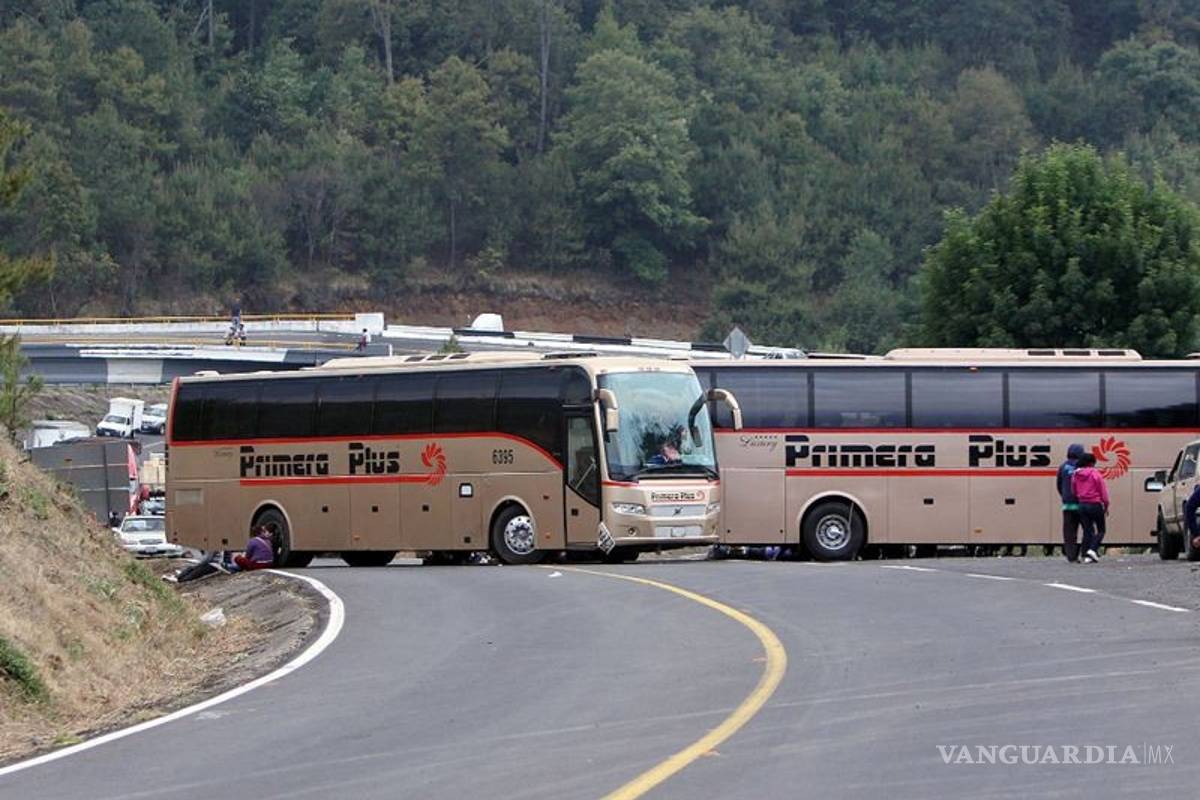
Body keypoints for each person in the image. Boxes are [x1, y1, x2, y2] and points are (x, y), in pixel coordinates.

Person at [1071, 452, 1109, 563]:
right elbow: (1103, 492)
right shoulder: (1095, 474)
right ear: (1092, 463)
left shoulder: (1075, 475)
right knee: (1101, 530)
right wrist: (1106, 505)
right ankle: (1092, 550)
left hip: (1082, 505)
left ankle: (1085, 555)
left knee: (1087, 530)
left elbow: (1073, 491)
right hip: (1095, 504)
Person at [1056, 443, 1085, 562]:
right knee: (1088, 530)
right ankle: (1086, 553)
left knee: (1069, 533)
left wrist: (1065, 496)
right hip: (1082, 504)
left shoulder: (1063, 467)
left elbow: (1059, 485)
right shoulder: (1083, 467)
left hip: (1068, 505)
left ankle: (1071, 556)